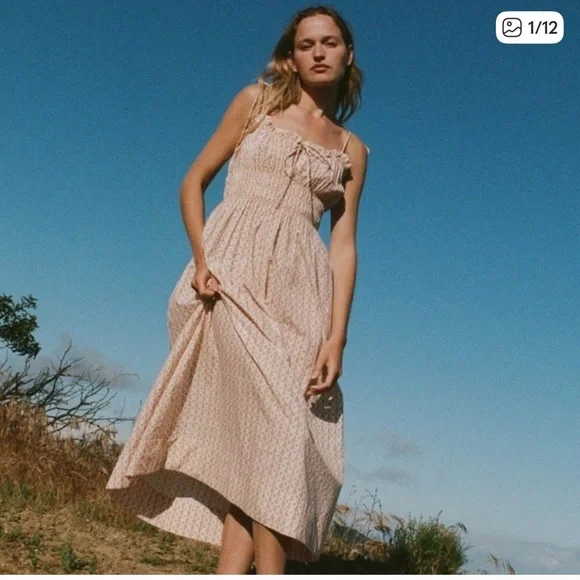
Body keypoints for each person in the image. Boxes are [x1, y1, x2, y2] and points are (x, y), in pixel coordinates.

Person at [106, 5, 369, 575]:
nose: (318, 52)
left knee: (263, 445)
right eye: (306, 44)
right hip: (231, 281)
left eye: (329, 42)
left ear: (348, 54)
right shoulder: (255, 103)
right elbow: (193, 181)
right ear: (291, 57)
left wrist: (336, 338)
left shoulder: (352, 150)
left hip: (302, 298)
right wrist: (202, 261)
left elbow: (343, 247)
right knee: (279, 435)